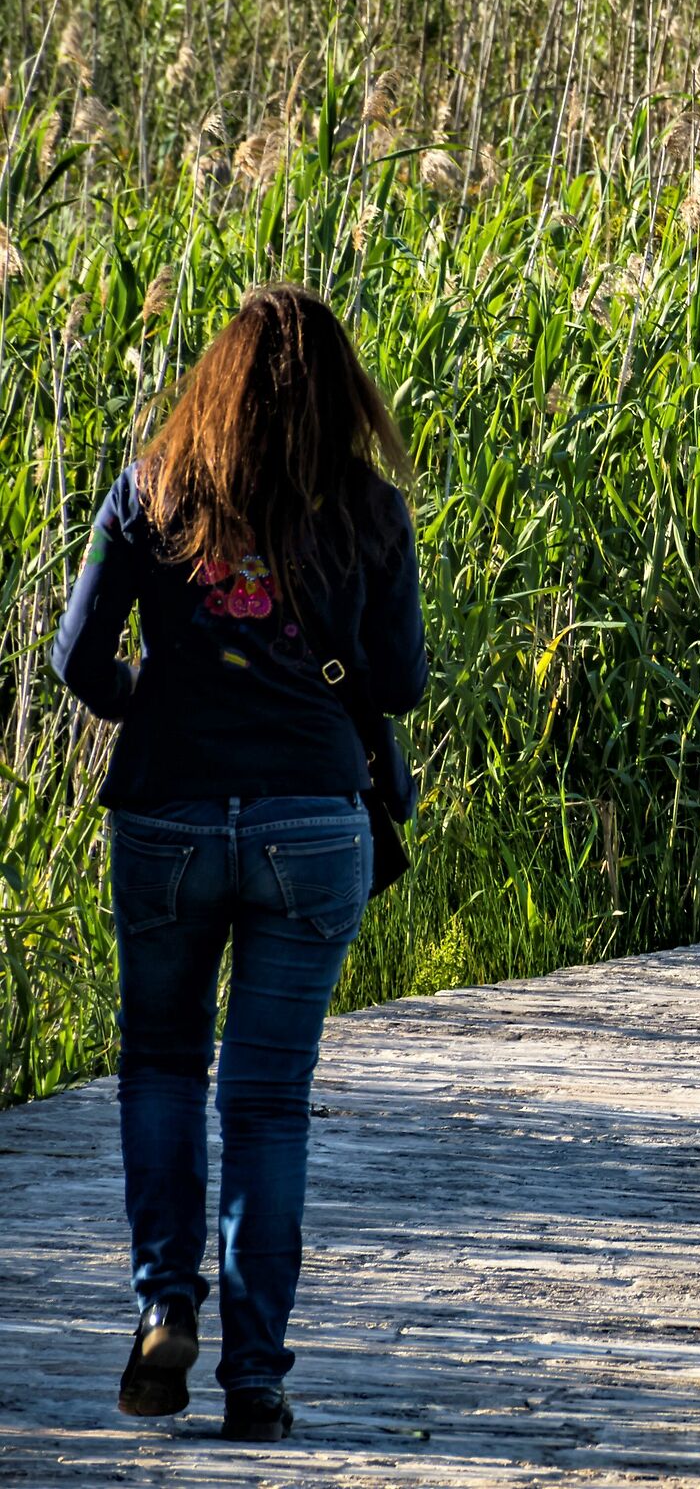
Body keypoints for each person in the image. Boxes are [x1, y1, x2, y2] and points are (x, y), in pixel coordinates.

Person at [50, 284, 426, 1442]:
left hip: (165, 814)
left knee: (163, 1067)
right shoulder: (366, 508)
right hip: (313, 825)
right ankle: (256, 1381)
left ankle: (167, 1303)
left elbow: (75, 659)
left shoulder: (150, 490)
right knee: (267, 1104)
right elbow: (402, 683)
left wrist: (151, 699)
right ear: (339, 395)